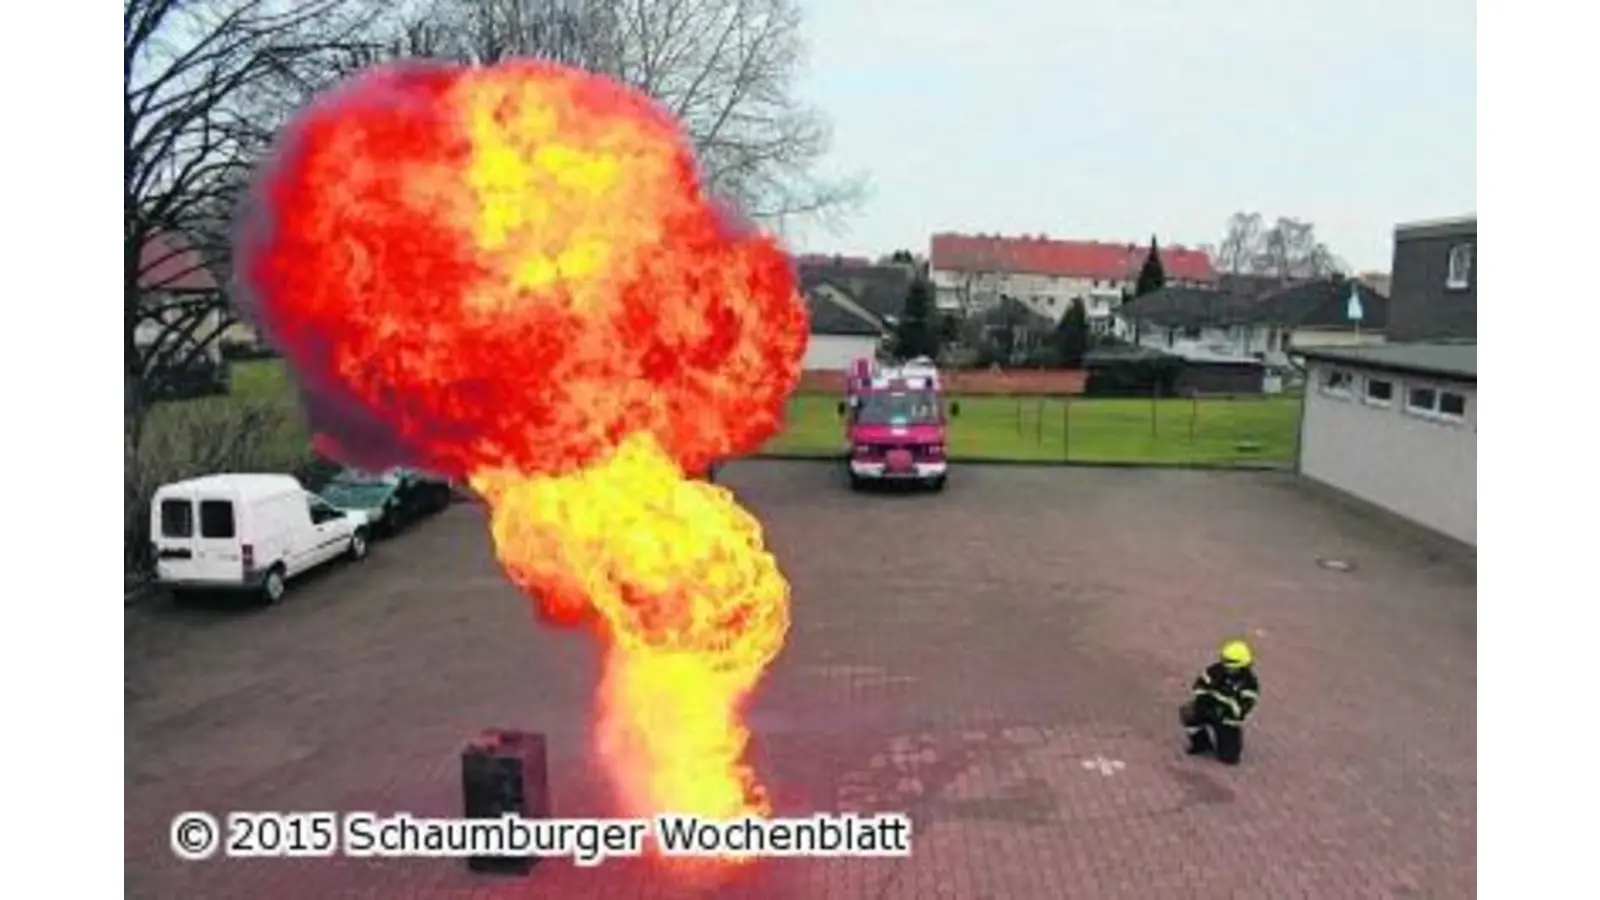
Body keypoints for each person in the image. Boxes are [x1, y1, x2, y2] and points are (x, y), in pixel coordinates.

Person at [1181, 639, 1260, 765]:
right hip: (1207, 708)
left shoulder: (1249, 684)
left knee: (1229, 758)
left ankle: (1227, 746)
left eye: (1232, 667)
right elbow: (1199, 687)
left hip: (1227, 720)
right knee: (1188, 712)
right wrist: (1205, 704)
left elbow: (1242, 708)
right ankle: (1201, 743)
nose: (1228, 669)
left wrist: (1222, 709)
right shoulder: (1215, 670)